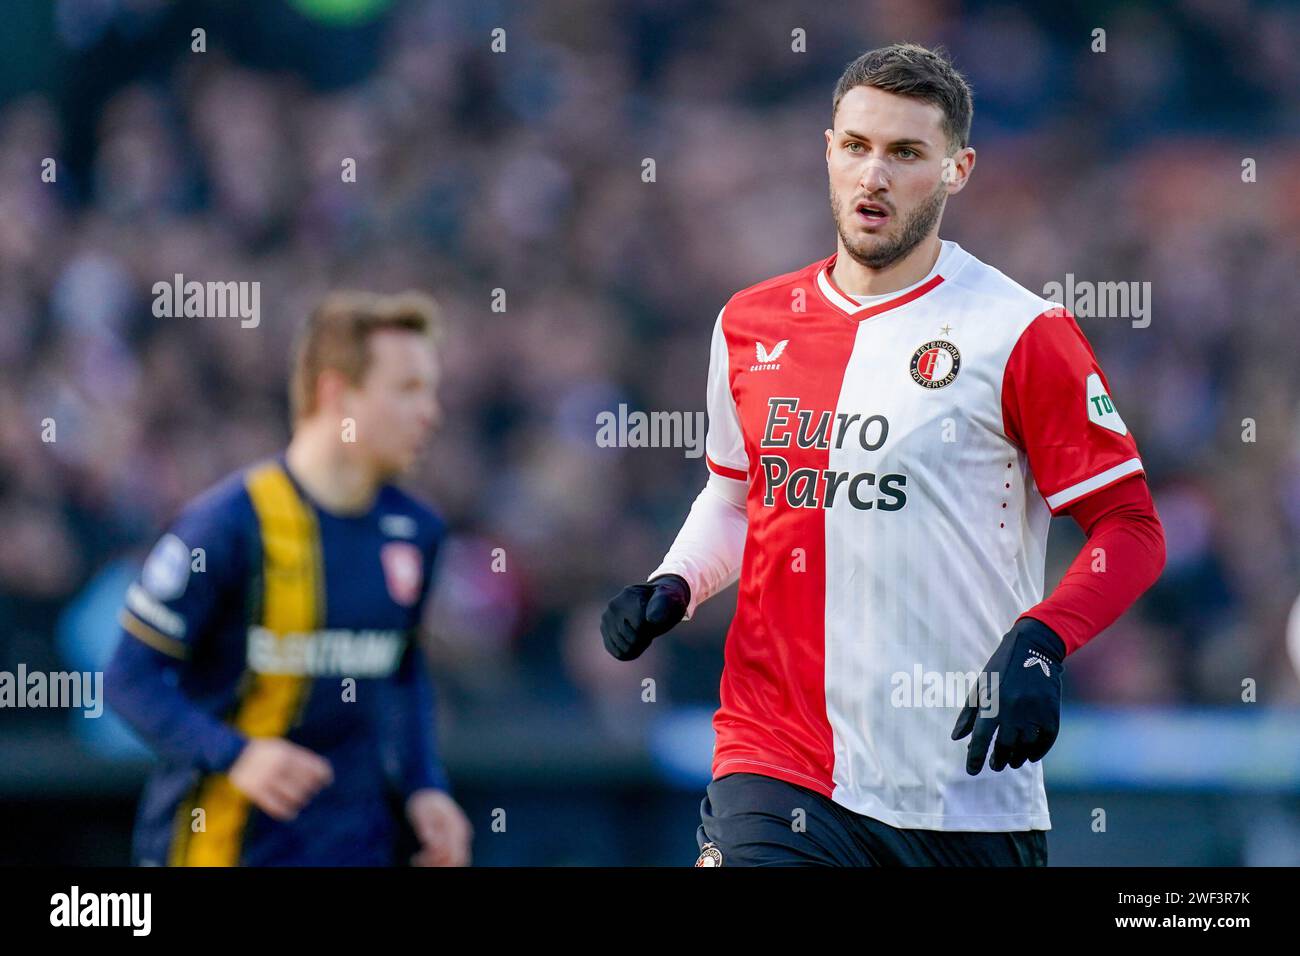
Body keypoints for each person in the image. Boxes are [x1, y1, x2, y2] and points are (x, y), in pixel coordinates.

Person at [601, 43, 1166, 866]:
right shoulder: (749, 324)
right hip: (778, 768)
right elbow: (735, 497)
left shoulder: (1020, 333)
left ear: (957, 170)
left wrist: (1043, 640)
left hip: (964, 795)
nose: (875, 175)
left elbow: (1131, 526)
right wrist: (676, 582)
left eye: (906, 153)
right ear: (827, 149)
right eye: (858, 146)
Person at [106, 291, 472, 866]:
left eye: (430, 388)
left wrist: (426, 784)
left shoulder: (415, 531)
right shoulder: (226, 527)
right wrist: (236, 755)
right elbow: (130, 679)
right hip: (220, 848)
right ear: (337, 394)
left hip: (354, 848)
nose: (432, 411)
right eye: (408, 389)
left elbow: (401, 672)